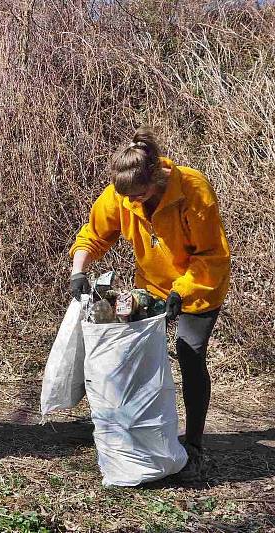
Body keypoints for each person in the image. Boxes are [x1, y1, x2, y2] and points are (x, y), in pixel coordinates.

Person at [69, 127, 230, 481]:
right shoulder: (124, 193)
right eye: (130, 199)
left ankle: (195, 445)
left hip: (200, 285)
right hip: (153, 285)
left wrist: (181, 292)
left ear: (156, 177)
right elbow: (94, 234)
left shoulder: (193, 189)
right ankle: (124, 425)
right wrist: (78, 271)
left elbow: (211, 255)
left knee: (189, 352)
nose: (136, 204)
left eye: (141, 196)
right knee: (128, 349)